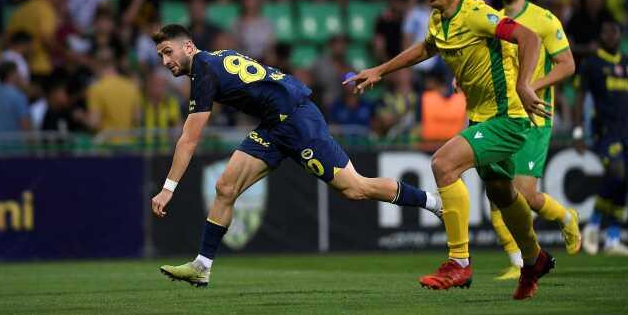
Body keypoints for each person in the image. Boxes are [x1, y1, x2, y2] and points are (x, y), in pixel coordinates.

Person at [150, 24, 442, 287]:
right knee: (225, 187)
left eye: (168, 52)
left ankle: (433, 202)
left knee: (355, 188)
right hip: (273, 124)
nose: (165, 62)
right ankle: (202, 266)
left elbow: (189, 139)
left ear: (188, 46)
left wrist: (167, 189)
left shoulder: (203, 69)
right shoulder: (214, 58)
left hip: (296, 121)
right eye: (161, 56)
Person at [346, 0, 552, 300]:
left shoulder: (476, 14)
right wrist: (381, 70)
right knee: (502, 193)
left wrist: (524, 85)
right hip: (482, 117)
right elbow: (428, 47)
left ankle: (459, 261)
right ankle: (534, 259)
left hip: (509, 117)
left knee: (443, 163)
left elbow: (529, 39)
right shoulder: (439, 20)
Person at [489, 0, 579, 281]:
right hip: (502, 117)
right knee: (497, 191)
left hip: (535, 118)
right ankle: (519, 262)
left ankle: (566, 217)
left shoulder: (543, 19)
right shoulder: (494, 21)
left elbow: (568, 65)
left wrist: (530, 86)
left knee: (524, 195)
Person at [574, 21, 628, 256]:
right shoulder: (592, 64)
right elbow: (580, 96)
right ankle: (592, 225)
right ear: (600, 36)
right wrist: (579, 131)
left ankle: (613, 240)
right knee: (617, 172)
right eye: (605, 32)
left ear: (621, 36)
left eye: (614, 32)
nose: (610, 36)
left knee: (622, 182)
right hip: (605, 132)